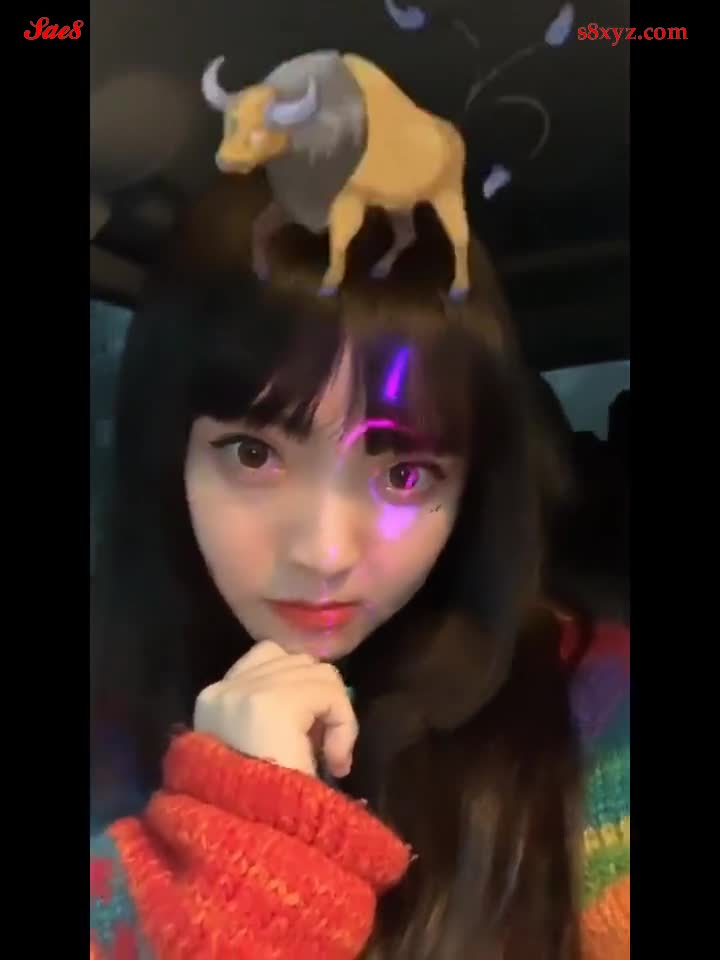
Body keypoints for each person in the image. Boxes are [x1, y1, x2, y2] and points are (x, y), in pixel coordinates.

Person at [90, 173, 629, 959]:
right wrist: (244, 864)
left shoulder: (598, 710)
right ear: (166, 454)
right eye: (252, 454)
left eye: (404, 474)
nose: (325, 553)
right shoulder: (106, 709)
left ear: (471, 490)